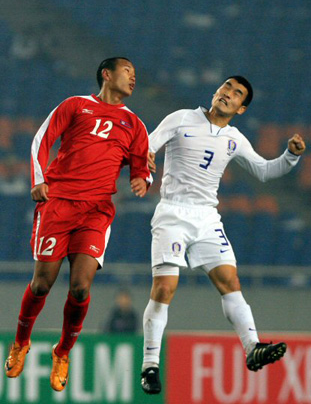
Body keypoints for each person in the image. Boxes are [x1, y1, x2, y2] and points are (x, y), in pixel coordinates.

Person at [140, 76, 306, 394]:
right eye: (226, 87)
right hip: (173, 213)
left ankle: (252, 347)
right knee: (165, 287)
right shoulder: (181, 117)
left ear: (241, 109)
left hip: (206, 218)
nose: (228, 93)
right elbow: (147, 145)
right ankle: (150, 365)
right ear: (216, 92)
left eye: (237, 94)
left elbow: (264, 170)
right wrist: (145, 170)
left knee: (230, 282)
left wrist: (290, 156)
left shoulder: (234, 138)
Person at [4, 57, 152, 392]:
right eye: (127, 71)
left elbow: (143, 161)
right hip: (58, 204)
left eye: (135, 73)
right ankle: (21, 342)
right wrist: (38, 179)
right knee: (42, 284)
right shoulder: (76, 105)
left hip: (97, 210)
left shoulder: (134, 123)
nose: (133, 77)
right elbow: (41, 140)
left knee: (81, 287)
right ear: (106, 74)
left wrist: (142, 178)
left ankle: (63, 351)